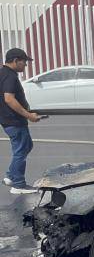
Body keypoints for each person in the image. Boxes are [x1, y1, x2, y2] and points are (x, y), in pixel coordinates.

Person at [1, 48, 41, 194]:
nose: (25, 65)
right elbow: (9, 98)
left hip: (10, 120)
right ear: (16, 60)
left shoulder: (4, 73)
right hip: (14, 121)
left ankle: (11, 176)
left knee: (26, 146)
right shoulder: (9, 76)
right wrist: (28, 115)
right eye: (24, 62)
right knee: (21, 150)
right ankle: (18, 185)